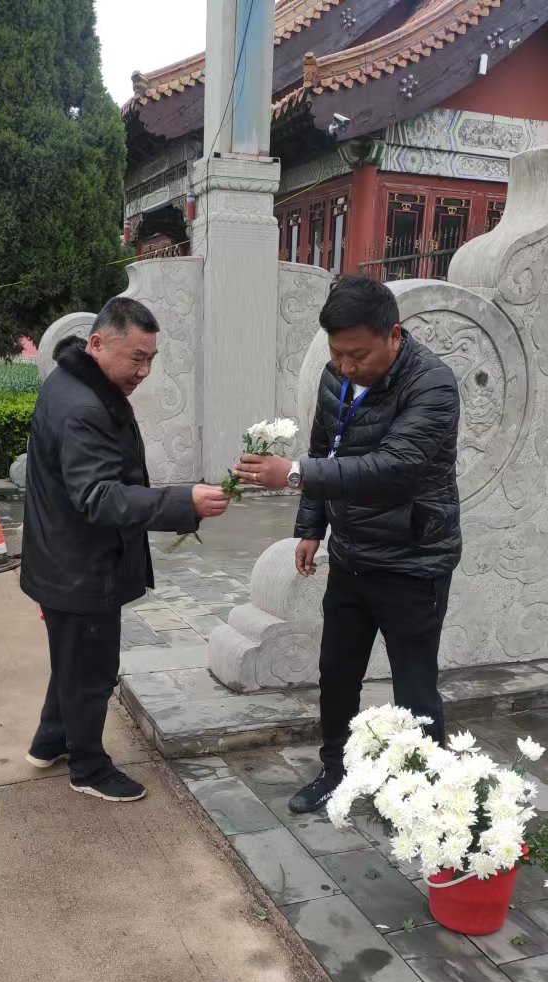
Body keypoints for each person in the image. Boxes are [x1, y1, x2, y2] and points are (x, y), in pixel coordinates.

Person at [235, 275, 461, 814]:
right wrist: (311, 527)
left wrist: (292, 475)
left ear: (393, 336)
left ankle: (424, 798)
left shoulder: (433, 384)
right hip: (351, 555)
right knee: (337, 674)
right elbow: (324, 448)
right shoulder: (336, 377)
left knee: (415, 687)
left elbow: (394, 466)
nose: (345, 366)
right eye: (337, 354)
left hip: (412, 561)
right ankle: (336, 769)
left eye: (358, 355)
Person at [20, 296, 230, 802]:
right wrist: (182, 502)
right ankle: (89, 769)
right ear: (97, 343)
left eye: (151, 358)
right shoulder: (84, 407)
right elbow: (98, 496)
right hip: (81, 566)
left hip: (62, 557)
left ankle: (50, 741)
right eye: (137, 357)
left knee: (73, 661)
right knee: (92, 671)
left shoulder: (71, 383)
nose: (144, 371)